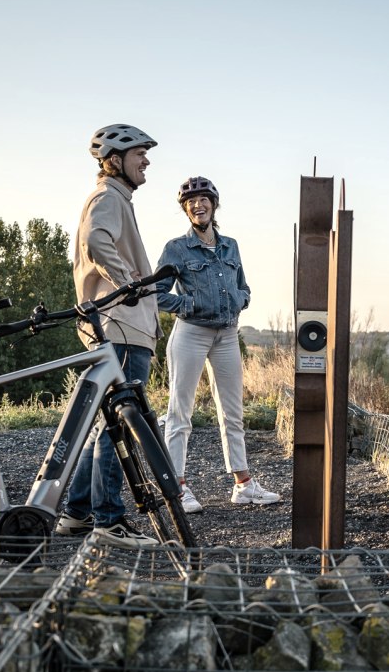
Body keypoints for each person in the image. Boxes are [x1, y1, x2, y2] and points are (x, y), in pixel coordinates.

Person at [56, 123, 165, 546]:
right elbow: (97, 241)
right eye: (140, 153)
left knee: (107, 426)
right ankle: (109, 520)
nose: (147, 161)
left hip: (122, 326)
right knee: (122, 425)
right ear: (116, 160)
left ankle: (78, 514)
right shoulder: (107, 197)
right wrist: (129, 285)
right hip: (120, 324)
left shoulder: (117, 199)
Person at [156, 176, 281, 511]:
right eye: (191, 202)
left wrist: (242, 299)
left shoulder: (231, 246)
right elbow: (157, 294)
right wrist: (186, 305)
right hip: (190, 335)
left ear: (213, 203)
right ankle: (177, 488)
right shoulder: (176, 249)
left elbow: (243, 285)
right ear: (185, 209)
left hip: (227, 336)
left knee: (233, 412)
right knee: (180, 413)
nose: (198, 206)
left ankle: (243, 485)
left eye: (203, 200)